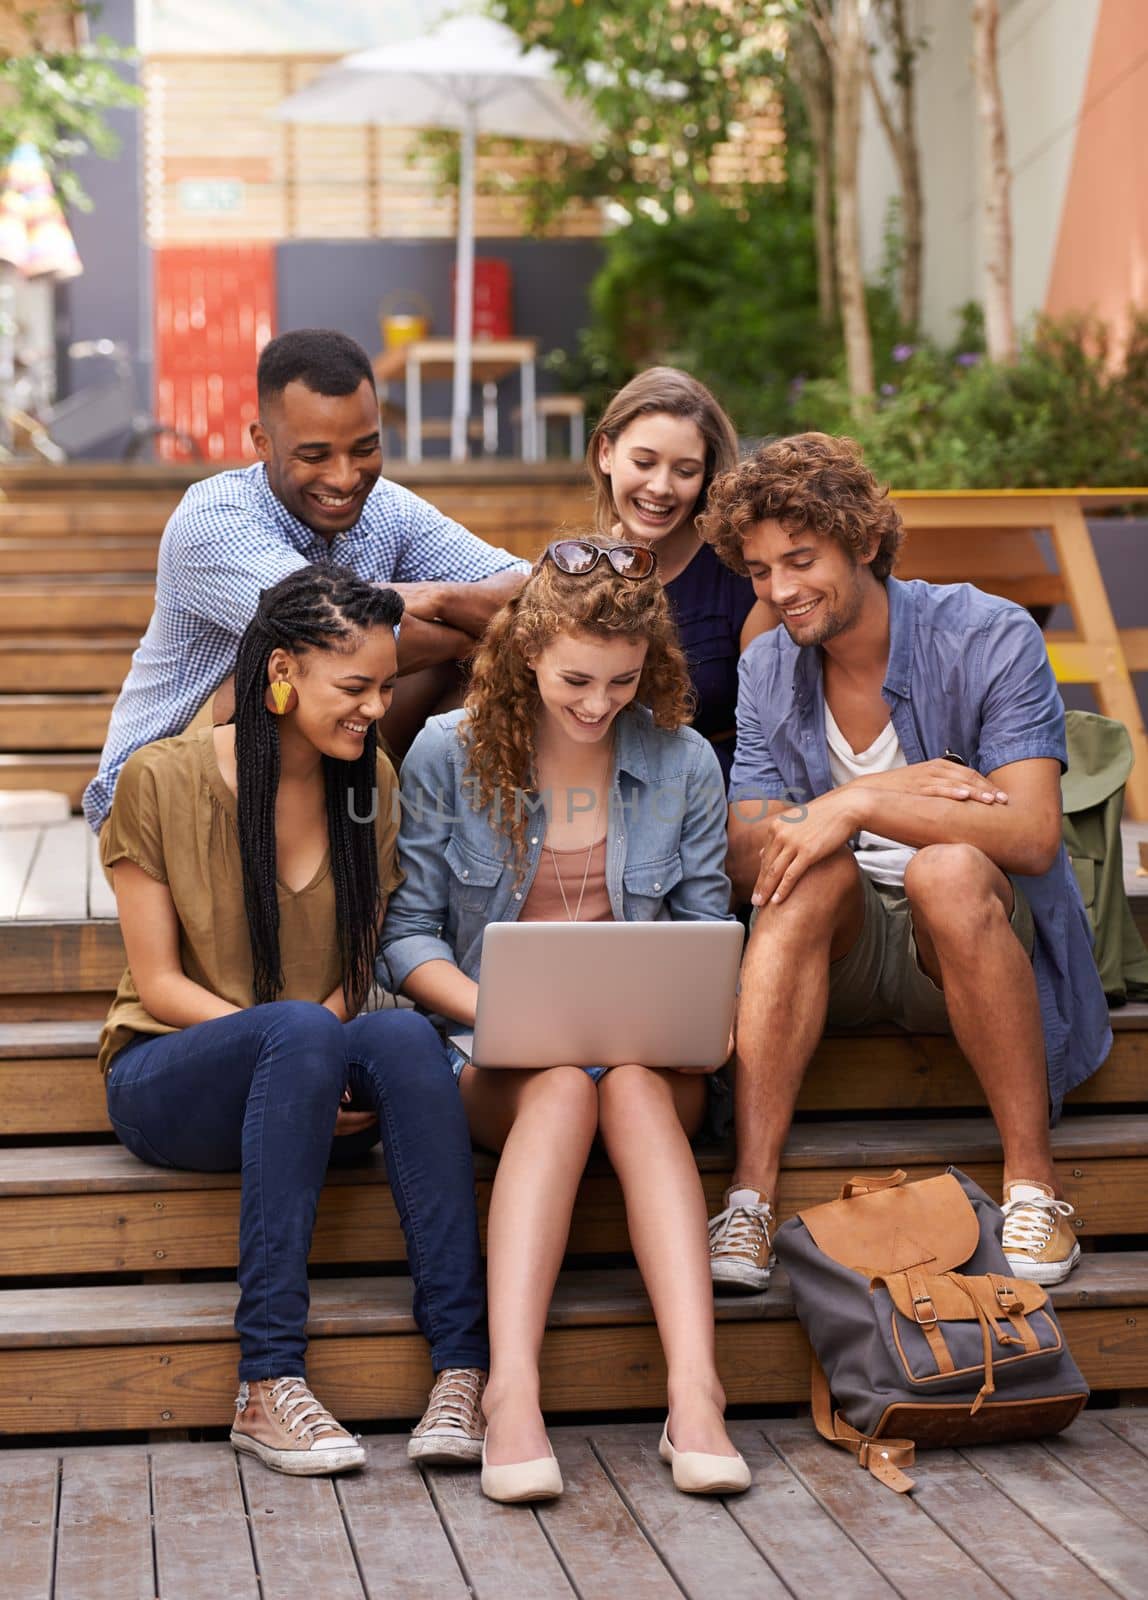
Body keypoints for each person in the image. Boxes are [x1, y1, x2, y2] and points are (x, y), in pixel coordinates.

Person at [381, 534, 751, 1504]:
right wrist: (503, 1010)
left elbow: (702, 927)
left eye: (622, 682)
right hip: (495, 1050)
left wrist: (708, 1015)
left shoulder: (679, 765)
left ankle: (695, 1394)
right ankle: (512, 1393)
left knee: (626, 1086)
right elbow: (407, 938)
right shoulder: (445, 755)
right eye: (575, 680)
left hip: (641, 1054)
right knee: (554, 1086)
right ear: (526, 653)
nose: (596, 704)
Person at [98, 565, 489, 1477]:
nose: (374, 707)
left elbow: (355, 972)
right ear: (280, 673)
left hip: (305, 1080)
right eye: (355, 688)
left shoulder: (368, 785)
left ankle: (464, 1369)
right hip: (169, 1076)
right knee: (309, 1033)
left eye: (387, 687)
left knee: (399, 1034)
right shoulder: (159, 779)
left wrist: (312, 1063)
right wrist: (297, 1051)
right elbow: (158, 984)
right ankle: (266, 1382)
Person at [699, 432, 1111, 1294]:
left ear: (865, 541)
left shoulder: (986, 633)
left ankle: (1036, 1187)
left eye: (800, 560)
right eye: (761, 571)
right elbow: (747, 856)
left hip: (962, 941)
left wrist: (860, 802)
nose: (779, 591)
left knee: (946, 870)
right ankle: (748, 1200)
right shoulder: (770, 665)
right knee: (802, 874)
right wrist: (874, 803)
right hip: (840, 951)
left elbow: (1033, 834)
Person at [84, 327, 528, 833]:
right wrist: (462, 630)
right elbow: (334, 642)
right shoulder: (214, 519)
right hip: (157, 799)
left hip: (305, 783)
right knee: (284, 673)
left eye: (364, 448)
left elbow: (529, 591)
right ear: (262, 443)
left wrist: (439, 595)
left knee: (493, 661)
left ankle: (424, 864)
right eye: (315, 456)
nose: (343, 477)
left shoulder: (386, 507)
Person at [587, 366, 772, 783]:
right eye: (644, 462)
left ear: (706, 474)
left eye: (685, 471)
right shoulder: (577, 566)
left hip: (715, 786)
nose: (660, 487)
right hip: (592, 786)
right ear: (605, 453)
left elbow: (767, 732)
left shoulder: (741, 577)